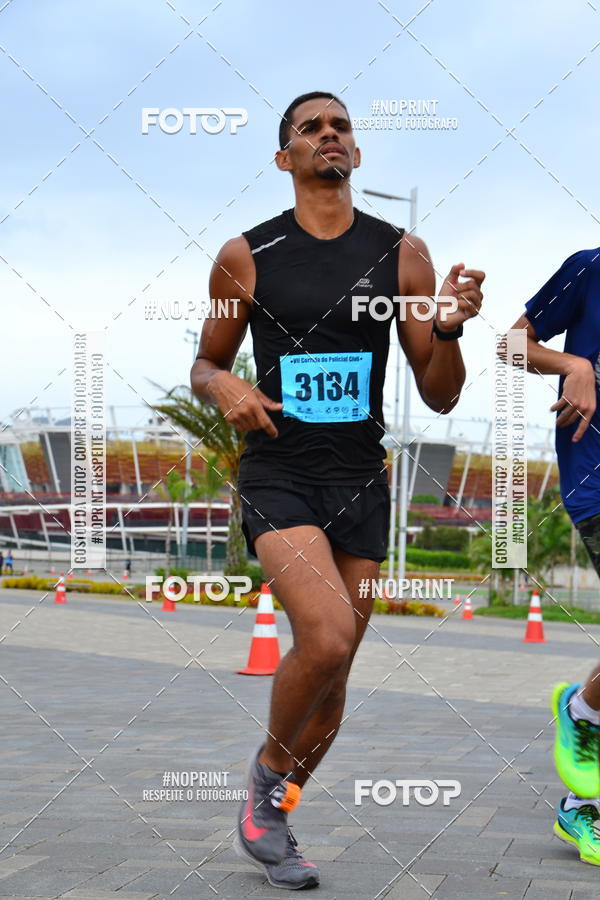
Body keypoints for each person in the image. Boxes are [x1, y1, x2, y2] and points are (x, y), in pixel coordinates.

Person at [191, 90, 484, 890]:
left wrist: (450, 329)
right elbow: (206, 362)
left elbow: (441, 393)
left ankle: (277, 812)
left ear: (356, 153)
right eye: (310, 128)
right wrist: (225, 389)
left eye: (341, 126)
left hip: (360, 479)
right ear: (285, 158)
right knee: (322, 638)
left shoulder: (404, 255)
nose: (329, 134)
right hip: (279, 469)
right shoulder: (244, 255)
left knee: (337, 669)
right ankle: (263, 780)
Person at [505, 247, 600, 866]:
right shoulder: (590, 268)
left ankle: (585, 710)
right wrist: (574, 364)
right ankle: (582, 797)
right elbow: (513, 344)